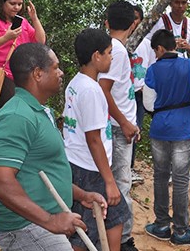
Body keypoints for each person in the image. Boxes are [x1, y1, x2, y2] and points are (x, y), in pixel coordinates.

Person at [0, 42, 107, 251]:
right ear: (38, 74)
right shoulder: (16, 116)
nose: (61, 73)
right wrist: (50, 220)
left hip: (39, 224)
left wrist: (81, 195)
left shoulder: (39, 112)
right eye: (55, 67)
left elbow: (43, 174)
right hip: (26, 228)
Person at [63, 29, 131, 251]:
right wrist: (109, 181)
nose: (112, 58)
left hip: (80, 162)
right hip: (91, 169)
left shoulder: (77, 82)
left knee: (115, 214)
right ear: (96, 56)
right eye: (109, 53)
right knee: (86, 227)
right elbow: (93, 139)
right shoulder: (91, 90)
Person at [143, 29, 190, 245]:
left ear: (160, 48)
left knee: (160, 176)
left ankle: (161, 224)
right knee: (180, 180)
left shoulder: (152, 70)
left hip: (160, 128)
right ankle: (180, 231)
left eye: (155, 51)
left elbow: (149, 104)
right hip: (183, 126)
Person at [98, 0, 140, 251]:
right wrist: (125, 123)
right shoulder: (118, 51)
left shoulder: (109, 48)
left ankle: (111, 235)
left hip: (118, 124)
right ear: (134, 23)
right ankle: (122, 240)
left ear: (106, 22)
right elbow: (104, 90)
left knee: (111, 182)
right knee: (120, 184)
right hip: (116, 126)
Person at [129, 4, 145, 185]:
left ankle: (131, 167)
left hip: (140, 94)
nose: (133, 22)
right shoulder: (119, 43)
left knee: (136, 129)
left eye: (136, 18)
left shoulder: (146, 44)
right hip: (125, 94)